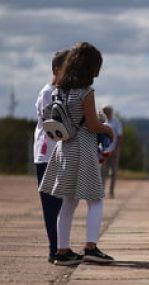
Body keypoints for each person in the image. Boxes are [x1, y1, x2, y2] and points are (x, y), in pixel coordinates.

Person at [39, 42, 115, 266]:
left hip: (65, 148)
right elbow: (91, 125)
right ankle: (91, 247)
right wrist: (107, 128)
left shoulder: (60, 90)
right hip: (83, 148)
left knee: (68, 203)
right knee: (95, 200)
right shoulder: (86, 92)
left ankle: (62, 251)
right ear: (91, 67)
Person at [33, 49, 69, 263]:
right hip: (47, 154)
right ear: (57, 70)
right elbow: (52, 126)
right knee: (52, 205)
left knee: (63, 203)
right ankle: (55, 249)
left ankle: (60, 248)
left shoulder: (62, 91)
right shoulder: (48, 92)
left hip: (58, 153)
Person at [100, 103, 123, 198]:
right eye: (105, 112)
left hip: (113, 151)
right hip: (103, 151)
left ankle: (111, 192)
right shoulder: (100, 121)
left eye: (108, 112)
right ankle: (102, 191)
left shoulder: (116, 122)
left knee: (114, 172)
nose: (106, 113)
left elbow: (120, 136)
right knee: (103, 172)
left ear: (111, 112)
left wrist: (117, 149)